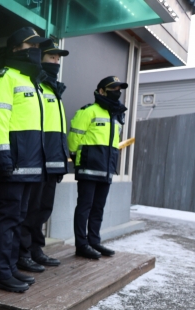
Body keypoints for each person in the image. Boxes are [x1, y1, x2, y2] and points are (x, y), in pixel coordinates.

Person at [0, 27, 48, 293]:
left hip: (29, 163)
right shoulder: (3, 78)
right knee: (7, 218)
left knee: (18, 218)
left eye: (38, 47)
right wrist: (2, 157)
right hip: (11, 162)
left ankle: (9, 269)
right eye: (29, 46)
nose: (36, 51)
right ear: (14, 49)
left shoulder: (32, 82)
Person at [17, 39, 69, 273]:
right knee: (30, 209)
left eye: (58, 58)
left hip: (53, 161)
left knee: (43, 209)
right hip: (38, 159)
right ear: (40, 58)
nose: (56, 61)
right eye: (51, 57)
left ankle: (36, 249)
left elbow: (58, 130)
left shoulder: (55, 90)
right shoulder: (36, 85)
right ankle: (23, 253)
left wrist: (61, 162)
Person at [68, 76, 128, 259]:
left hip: (106, 168)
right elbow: (73, 139)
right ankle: (81, 245)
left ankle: (94, 241)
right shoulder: (89, 111)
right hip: (88, 168)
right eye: (113, 88)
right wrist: (77, 159)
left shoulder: (116, 115)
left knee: (98, 208)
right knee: (84, 207)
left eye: (119, 88)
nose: (117, 91)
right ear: (101, 91)